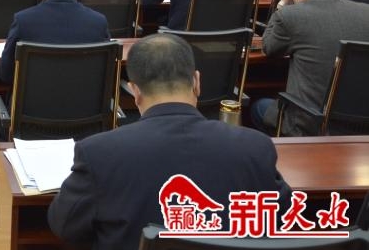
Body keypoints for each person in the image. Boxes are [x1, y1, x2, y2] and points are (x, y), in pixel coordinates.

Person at [49, 34, 291, 250]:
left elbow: (65, 225)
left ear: (135, 91)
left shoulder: (98, 153)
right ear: (197, 82)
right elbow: (283, 219)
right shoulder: (255, 147)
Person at [252, 0, 369, 136]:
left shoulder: (290, 16)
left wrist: (282, 3)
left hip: (311, 124)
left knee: (257, 107)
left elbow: (268, 47)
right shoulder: (366, 12)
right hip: (361, 125)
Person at [0, 0, 109, 83]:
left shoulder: (23, 20)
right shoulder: (99, 22)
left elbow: (5, 73)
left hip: (36, 95)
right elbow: (106, 72)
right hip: (86, 95)